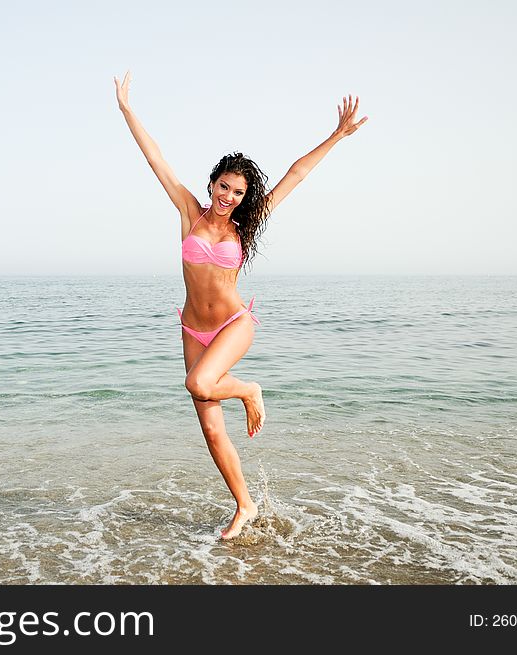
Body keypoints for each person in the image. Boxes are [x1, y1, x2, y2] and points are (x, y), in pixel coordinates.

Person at [114, 71, 367, 539]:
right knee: (211, 430)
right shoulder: (189, 212)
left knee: (199, 382)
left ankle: (250, 389)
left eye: (238, 192)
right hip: (193, 329)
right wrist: (128, 110)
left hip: (233, 323)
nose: (229, 197)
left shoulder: (243, 228)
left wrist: (336, 135)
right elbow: (156, 159)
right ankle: (245, 505)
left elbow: (297, 174)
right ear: (211, 184)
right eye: (223, 187)